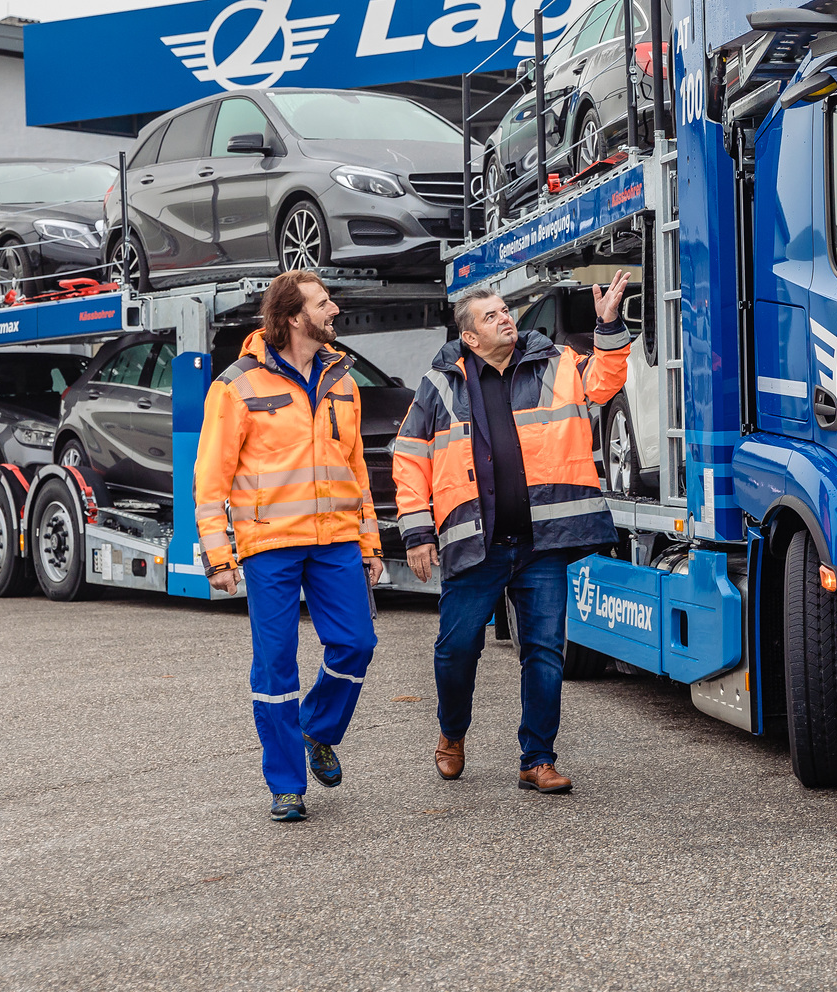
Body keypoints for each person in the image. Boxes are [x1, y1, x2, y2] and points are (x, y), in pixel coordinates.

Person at [394, 271, 632, 794]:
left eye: (506, 310)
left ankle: (537, 759)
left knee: (544, 650)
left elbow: (606, 380)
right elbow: (410, 459)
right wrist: (417, 533)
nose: (505, 318)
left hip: (540, 543)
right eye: (491, 315)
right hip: (473, 544)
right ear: (470, 337)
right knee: (456, 651)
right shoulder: (440, 385)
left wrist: (608, 324)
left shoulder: (555, 363)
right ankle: (452, 733)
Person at [196, 270, 385, 822]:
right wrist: (218, 554)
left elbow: (355, 467)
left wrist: (369, 542)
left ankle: (318, 729)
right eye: (324, 303)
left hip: (336, 541)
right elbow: (210, 478)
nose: (335, 310)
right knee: (276, 664)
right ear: (293, 316)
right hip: (269, 545)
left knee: (356, 644)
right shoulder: (237, 385)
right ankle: (285, 784)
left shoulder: (342, 378)